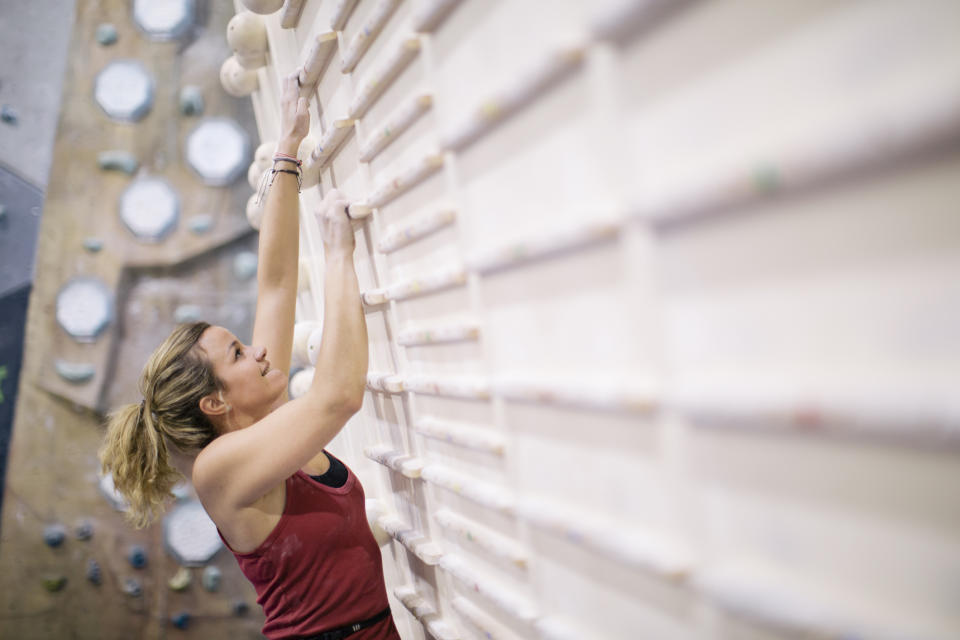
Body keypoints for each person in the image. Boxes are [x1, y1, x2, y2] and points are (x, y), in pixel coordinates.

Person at [99, 71, 401, 640]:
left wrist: (286, 149)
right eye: (239, 353)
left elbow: (277, 284)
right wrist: (340, 255)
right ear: (214, 401)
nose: (260, 351)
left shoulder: (264, 418)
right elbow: (338, 396)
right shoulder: (218, 470)